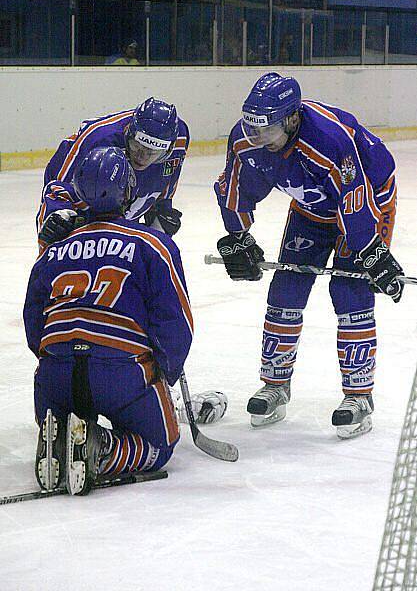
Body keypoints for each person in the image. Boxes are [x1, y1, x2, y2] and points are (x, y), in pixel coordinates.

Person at [24, 148, 224, 495]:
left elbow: (32, 321)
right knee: (159, 445)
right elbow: (176, 322)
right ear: (128, 190)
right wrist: (164, 371)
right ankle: (100, 448)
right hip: (120, 374)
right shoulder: (152, 244)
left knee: (63, 382)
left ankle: (57, 437)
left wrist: (53, 361)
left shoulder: (53, 251)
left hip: (55, 377)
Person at [214, 72, 404, 439]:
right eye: (253, 128)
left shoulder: (330, 139)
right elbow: (235, 187)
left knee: (349, 293)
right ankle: (275, 386)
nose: (257, 138)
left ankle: (359, 396)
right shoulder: (247, 140)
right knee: (286, 288)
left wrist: (373, 252)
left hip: (369, 202)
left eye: (266, 129)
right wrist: (237, 236)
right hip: (312, 208)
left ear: (291, 118)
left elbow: (356, 198)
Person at [38, 97, 189, 247]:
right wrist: (58, 213)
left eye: (152, 153)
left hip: (124, 201)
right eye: (137, 146)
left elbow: (165, 182)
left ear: (168, 150)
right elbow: (58, 190)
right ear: (129, 133)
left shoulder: (180, 138)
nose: (142, 157)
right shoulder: (98, 138)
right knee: (57, 232)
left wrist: (161, 213)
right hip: (84, 192)